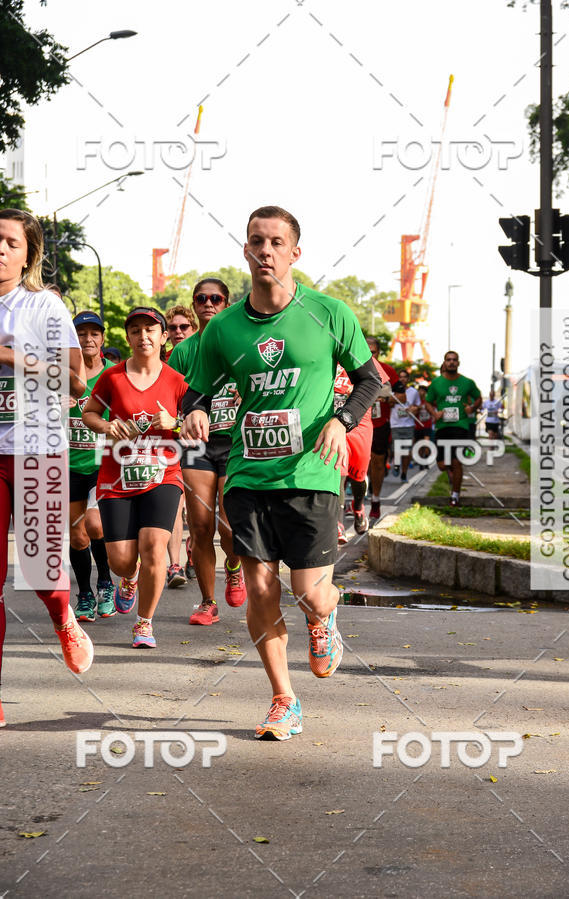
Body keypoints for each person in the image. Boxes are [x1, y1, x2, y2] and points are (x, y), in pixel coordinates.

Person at [181, 206, 381, 740]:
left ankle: (325, 617)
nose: (265, 250)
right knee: (260, 586)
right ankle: (282, 699)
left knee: (310, 592)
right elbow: (196, 390)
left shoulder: (328, 313)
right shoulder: (223, 327)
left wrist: (342, 422)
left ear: (295, 253)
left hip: (313, 472)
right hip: (248, 476)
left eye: (275, 242)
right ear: (245, 250)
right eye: (255, 241)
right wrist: (195, 411)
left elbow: (369, 380)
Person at [0, 209, 93, 726]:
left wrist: (13, 359)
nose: (0, 249)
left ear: (28, 253)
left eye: (10, 242)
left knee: (39, 569)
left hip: (38, 448)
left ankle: (63, 615)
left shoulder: (45, 307)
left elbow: (76, 383)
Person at [82, 307, 187, 649]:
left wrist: (175, 423)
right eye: (136, 330)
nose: (144, 336)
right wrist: (108, 426)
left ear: (162, 336)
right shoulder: (112, 377)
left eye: (150, 330)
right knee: (121, 561)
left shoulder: (176, 381)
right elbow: (89, 413)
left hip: (163, 475)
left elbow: (197, 423)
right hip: (117, 478)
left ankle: (144, 623)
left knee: (155, 546)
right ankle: (130, 577)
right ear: (127, 338)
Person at [168, 278, 247, 624]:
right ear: (195, 303)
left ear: (227, 303)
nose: (208, 303)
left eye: (216, 298)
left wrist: (249, 397)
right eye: (201, 298)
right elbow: (166, 394)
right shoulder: (185, 351)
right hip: (197, 445)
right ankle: (206, 602)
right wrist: (177, 419)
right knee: (200, 527)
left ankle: (233, 565)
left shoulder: (243, 341)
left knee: (229, 527)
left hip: (234, 443)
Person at [68, 311, 116, 621]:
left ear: (102, 338)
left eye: (94, 333)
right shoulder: (59, 373)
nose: (88, 339)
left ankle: (106, 583)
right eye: (81, 333)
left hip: (103, 463)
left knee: (96, 525)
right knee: (77, 535)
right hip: (69, 463)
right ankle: (85, 593)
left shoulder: (114, 374)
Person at [334, 358, 390, 538]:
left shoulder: (360, 355)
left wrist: (360, 392)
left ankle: (358, 507)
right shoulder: (323, 352)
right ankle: (338, 524)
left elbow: (384, 387)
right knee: (338, 471)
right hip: (333, 423)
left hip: (360, 424)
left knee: (358, 476)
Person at [164, 304, 199, 587]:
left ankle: (193, 550)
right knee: (175, 504)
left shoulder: (204, 355)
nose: (178, 332)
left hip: (200, 440)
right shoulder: (159, 360)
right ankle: (174, 566)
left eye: (183, 327)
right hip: (170, 440)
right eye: (173, 328)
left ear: (193, 328)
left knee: (198, 510)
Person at [426, 350, 481, 507]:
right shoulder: (436, 383)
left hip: (460, 426)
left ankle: (455, 495)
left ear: (458, 363)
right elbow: (428, 402)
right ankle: (452, 473)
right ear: (444, 362)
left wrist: (472, 408)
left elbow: (478, 398)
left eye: (454, 360)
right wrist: (434, 414)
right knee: (442, 465)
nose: (451, 362)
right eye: (448, 360)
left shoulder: (467, 382)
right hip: (442, 427)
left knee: (457, 461)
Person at [366, 337, 397, 520]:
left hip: (379, 423)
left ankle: (375, 499)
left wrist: (384, 398)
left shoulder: (388, 371)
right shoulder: (350, 367)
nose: (370, 356)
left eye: (374, 353)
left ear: (378, 352)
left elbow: (401, 396)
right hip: (357, 422)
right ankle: (355, 501)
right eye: (367, 352)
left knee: (377, 461)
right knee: (359, 463)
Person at [390, 369, 420, 482]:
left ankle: (404, 473)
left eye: (405, 377)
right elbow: (388, 403)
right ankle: (396, 464)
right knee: (396, 448)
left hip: (408, 424)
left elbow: (418, 406)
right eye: (400, 377)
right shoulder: (392, 391)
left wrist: (414, 409)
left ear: (408, 379)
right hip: (395, 424)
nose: (402, 379)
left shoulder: (413, 392)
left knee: (407, 451)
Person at [414, 384, 434, 469]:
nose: (421, 392)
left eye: (423, 391)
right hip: (418, 425)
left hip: (427, 425)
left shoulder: (428, 401)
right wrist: (417, 408)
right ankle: (420, 461)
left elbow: (434, 410)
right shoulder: (416, 401)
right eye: (420, 390)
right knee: (419, 445)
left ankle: (426, 459)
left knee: (426, 443)